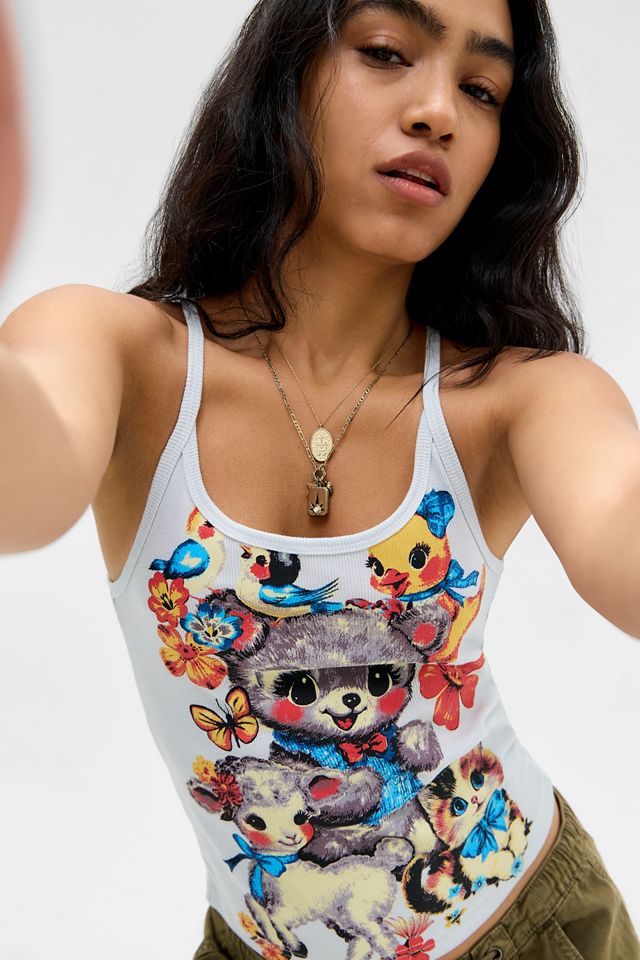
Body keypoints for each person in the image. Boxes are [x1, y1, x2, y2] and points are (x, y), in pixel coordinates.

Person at [1, 0, 639, 958]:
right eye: (385, 51)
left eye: (482, 89)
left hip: (529, 929)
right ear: (286, 71)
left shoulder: (518, 399)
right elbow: (22, 492)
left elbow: (622, 534)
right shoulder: (124, 356)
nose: (438, 111)